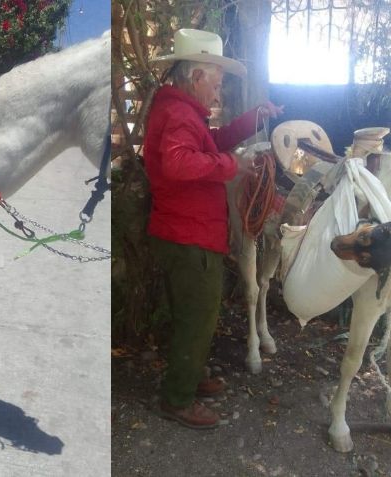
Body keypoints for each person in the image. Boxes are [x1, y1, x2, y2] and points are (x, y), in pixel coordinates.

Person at [145, 28, 283, 429]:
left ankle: (188, 376)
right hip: (188, 235)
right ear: (197, 77)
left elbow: (211, 143)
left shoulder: (182, 111)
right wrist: (232, 167)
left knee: (191, 315)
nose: (218, 91)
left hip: (183, 231)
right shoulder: (178, 114)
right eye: (216, 82)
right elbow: (178, 164)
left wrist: (252, 119)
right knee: (199, 316)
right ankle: (177, 399)